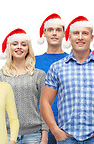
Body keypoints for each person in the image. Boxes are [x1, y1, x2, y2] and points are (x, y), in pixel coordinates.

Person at [39, 16, 94, 144]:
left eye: (85, 33)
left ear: (91, 38)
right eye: (76, 33)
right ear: (69, 37)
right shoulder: (57, 67)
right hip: (66, 138)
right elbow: (45, 102)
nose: (80, 37)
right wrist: (56, 131)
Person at [0, 29, 49, 144]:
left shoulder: (39, 75)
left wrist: (44, 136)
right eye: (15, 44)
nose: (19, 47)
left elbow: (44, 106)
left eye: (23, 44)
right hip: (7, 134)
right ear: (9, 48)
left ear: (28, 49)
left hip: (33, 134)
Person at [34, 14, 69, 144]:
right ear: (44, 33)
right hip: (41, 126)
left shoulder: (72, 60)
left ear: (64, 34)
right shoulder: (34, 61)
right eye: (50, 30)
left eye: (58, 30)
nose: (54, 33)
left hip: (67, 124)